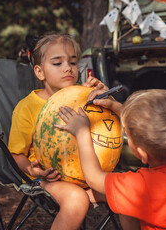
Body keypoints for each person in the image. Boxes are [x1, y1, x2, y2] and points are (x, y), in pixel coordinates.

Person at [56, 89, 166, 230]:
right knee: (122, 202)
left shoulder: (142, 186)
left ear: (143, 154)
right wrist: (115, 106)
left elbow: (94, 178)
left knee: (121, 198)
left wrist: (82, 132)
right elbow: (157, 124)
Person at [8, 33, 107, 230]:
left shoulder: (84, 98)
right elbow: (16, 154)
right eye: (57, 63)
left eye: (72, 61)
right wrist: (31, 169)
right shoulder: (27, 107)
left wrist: (102, 97)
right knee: (76, 198)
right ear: (39, 72)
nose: (67, 68)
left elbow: (107, 132)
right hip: (47, 178)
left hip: (88, 175)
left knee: (128, 193)